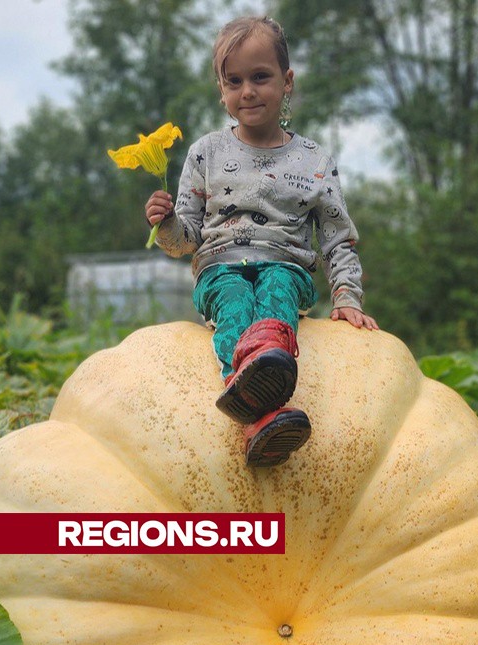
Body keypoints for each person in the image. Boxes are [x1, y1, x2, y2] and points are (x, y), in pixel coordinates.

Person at [145, 15, 379, 467]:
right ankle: (259, 406)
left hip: (285, 265)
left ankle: (263, 393)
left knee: (274, 293)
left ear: (287, 81)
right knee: (235, 303)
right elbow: (184, 241)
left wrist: (348, 295)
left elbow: (336, 239)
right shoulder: (206, 153)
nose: (247, 91)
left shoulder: (313, 160)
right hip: (220, 268)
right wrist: (167, 223)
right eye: (234, 81)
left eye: (260, 77)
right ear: (221, 89)